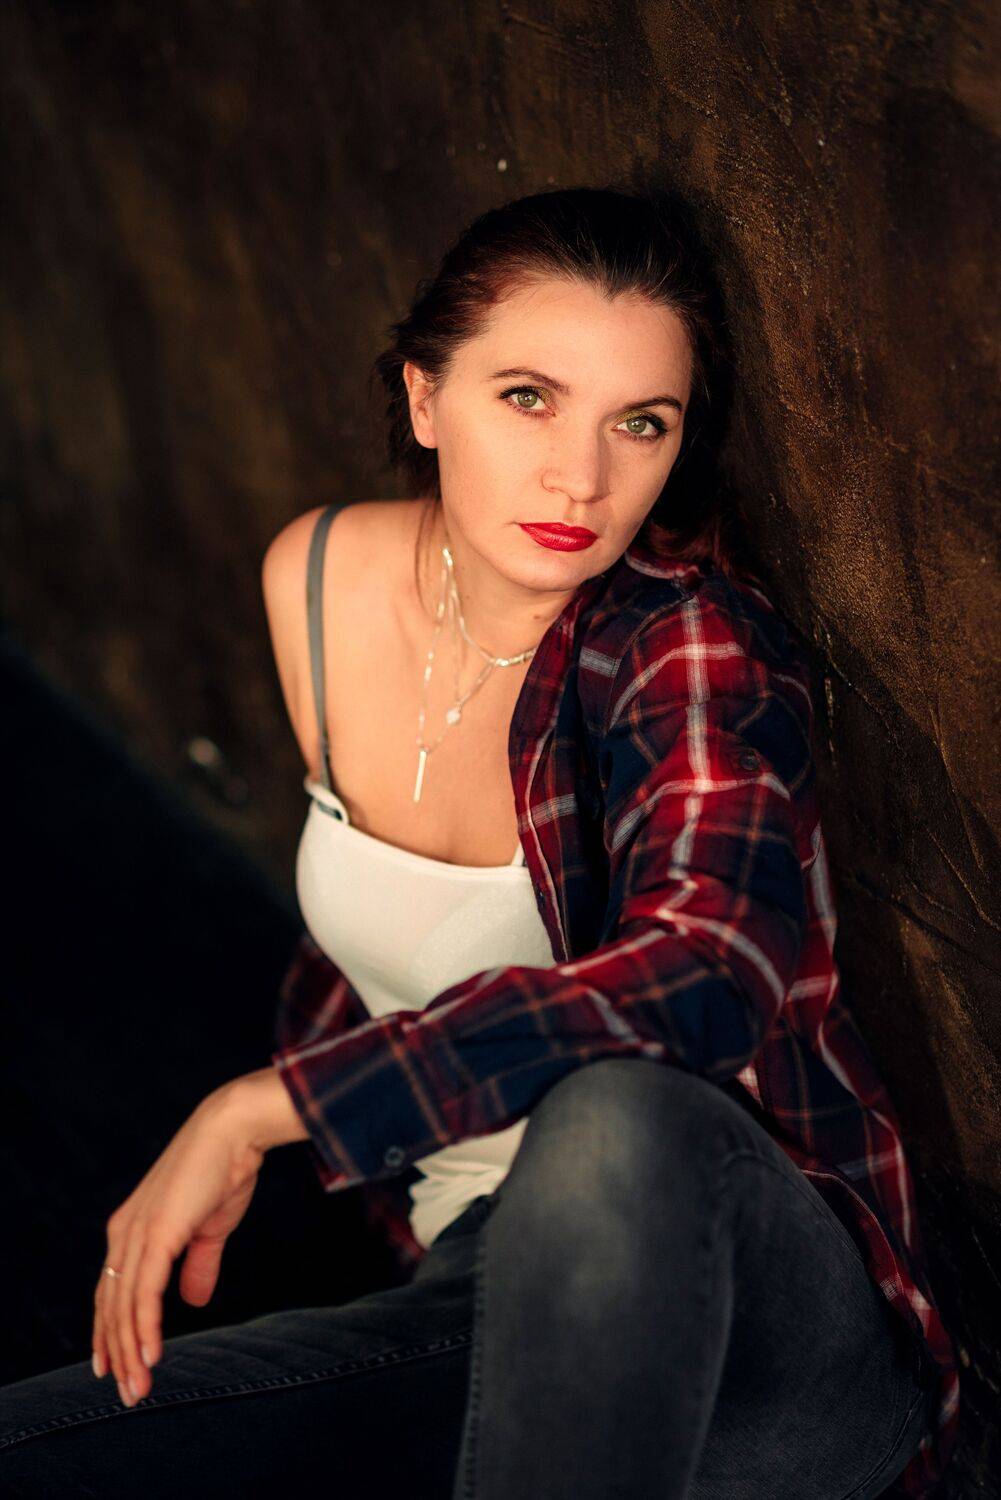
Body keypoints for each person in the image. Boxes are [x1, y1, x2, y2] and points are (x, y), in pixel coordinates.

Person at [0, 186, 959, 1498]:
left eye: (640, 422)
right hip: (476, 1287)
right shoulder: (318, 580)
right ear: (422, 399)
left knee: (613, 1116)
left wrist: (272, 1106)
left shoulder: (689, 648)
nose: (583, 478)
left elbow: (705, 976)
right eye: (528, 398)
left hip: (748, 1323)